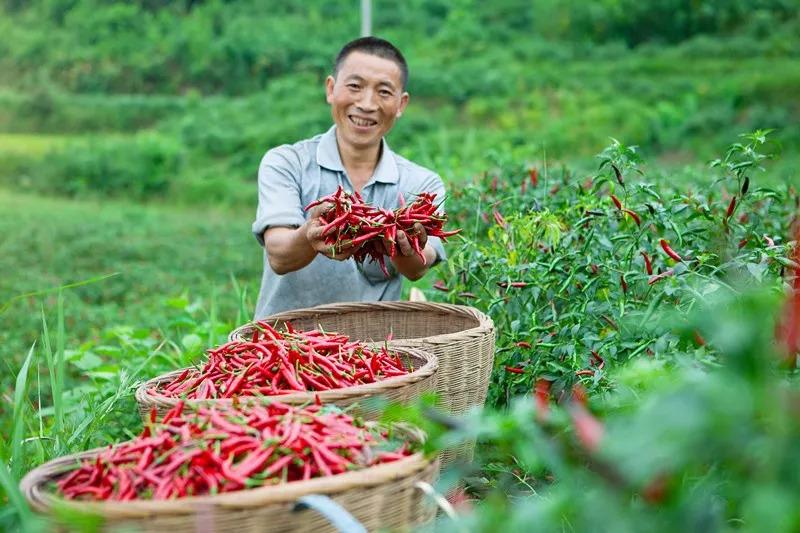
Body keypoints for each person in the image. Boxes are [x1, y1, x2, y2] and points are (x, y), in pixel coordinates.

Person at [251, 36, 448, 319]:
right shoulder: (287, 163)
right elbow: (279, 255)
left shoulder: (421, 185)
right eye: (355, 86)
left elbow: (418, 267)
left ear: (401, 104)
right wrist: (310, 234)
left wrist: (399, 242)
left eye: (383, 92)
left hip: (369, 353)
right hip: (283, 346)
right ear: (331, 89)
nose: (367, 104)